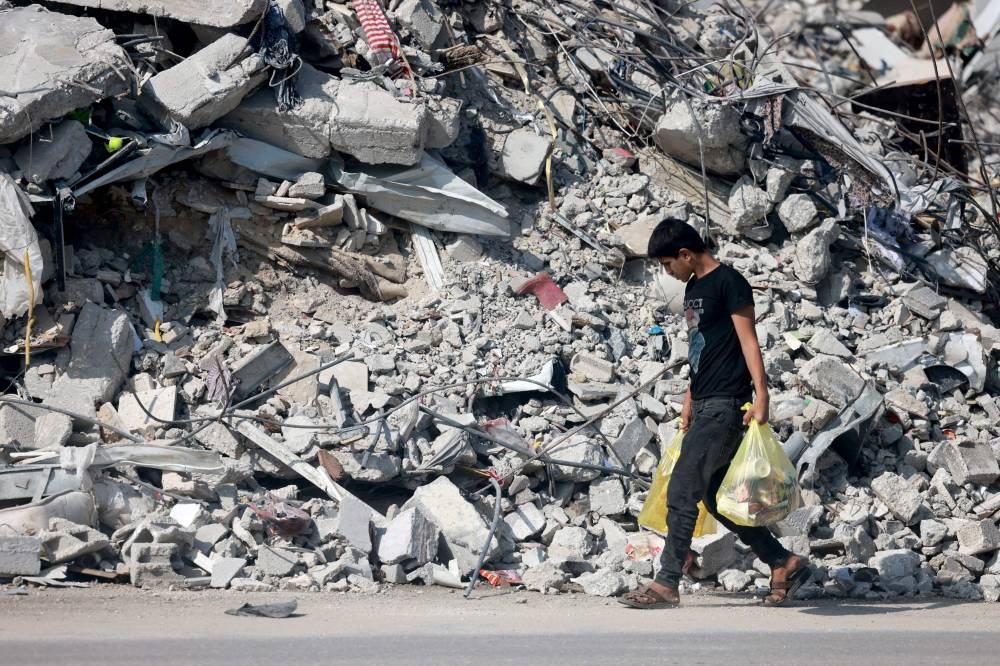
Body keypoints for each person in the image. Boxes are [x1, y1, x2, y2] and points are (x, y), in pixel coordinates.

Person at [619, 220, 810, 609]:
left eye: (668, 263)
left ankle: (667, 583)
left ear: (687, 254)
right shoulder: (693, 288)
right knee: (714, 496)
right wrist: (689, 397)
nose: (667, 272)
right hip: (704, 403)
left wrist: (762, 396)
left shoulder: (729, 283)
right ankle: (782, 561)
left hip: (726, 406)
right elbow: (700, 349)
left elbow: (748, 340)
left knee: (683, 490)